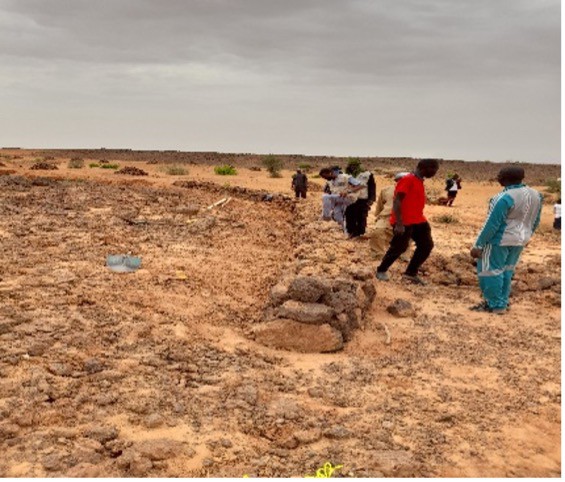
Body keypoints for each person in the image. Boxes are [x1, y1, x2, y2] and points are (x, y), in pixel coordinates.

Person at [469, 167, 543, 314]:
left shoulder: (504, 197)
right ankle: (503, 301)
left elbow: (492, 224)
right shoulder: (537, 195)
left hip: (500, 240)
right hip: (521, 239)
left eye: (499, 175)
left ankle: (495, 305)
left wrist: (478, 244)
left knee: (490, 270)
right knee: (507, 270)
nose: (497, 177)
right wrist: (528, 236)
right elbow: (536, 220)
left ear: (506, 178)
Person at [375, 158, 440, 285]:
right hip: (404, 221)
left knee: (426, 245)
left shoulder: (419, 180)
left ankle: (410, 273)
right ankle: (381, 270)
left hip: (418, 220)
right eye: (434, 169)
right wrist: (399, 223)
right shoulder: (408, 179)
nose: (435, 173)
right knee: (399, 247)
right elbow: (397, 201)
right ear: (424, 168)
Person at [369, 172, 409, 258]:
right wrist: (378, 217)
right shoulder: (386, 190)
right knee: (377, 232)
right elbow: (380, 205)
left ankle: (403, 255)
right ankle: (377, 253)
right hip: (387, 217)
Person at [344, 169, 376, 238]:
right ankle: (351, 231)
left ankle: (360, 233)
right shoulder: (348, 174)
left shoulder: (367, 175)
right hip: (351, 199)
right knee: (349, 215)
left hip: (363, 200)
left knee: (361, 216)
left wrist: (371, 200)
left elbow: (372, 187)